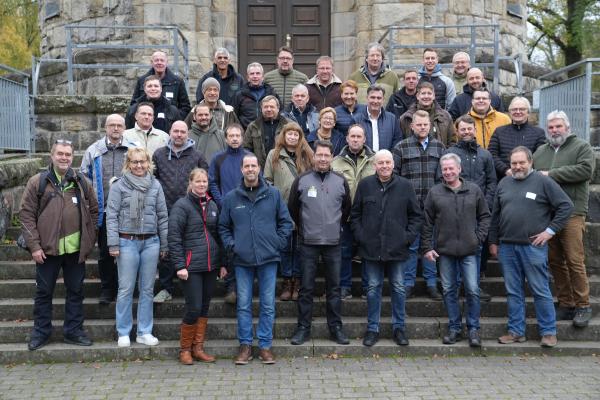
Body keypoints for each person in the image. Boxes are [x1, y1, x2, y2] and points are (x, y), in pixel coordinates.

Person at [489, 146, 574, 348]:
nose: (517, 167)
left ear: (530, 162)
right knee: (513, 291)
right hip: (507, 247)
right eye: (514, 163)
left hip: (533, 247)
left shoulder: (543, 182)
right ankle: (516, 331)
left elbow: (566, 206)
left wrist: (549, 231)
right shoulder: (504, 183)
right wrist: (493, 241)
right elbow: (495, 216)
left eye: (521, 163)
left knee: (540, 289)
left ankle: (548, 332)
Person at [20, 140, 98, 351]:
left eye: (68, 154)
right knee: (44, 292)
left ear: (73, 157)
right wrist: (34, 246)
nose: (64, 158)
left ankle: (73, 331)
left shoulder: (81, 181)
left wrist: (88, 241)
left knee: (76, 291)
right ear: (51, 156)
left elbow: (94, 211)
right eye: (60, 154)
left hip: (75, 250)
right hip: (46, 250)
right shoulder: (38, 182)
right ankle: (41, 333)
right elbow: (26, 215)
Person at [218, 153, 293, 365]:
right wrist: (233, 246)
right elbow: (223, 227)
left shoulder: (273, 194)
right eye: (247, 166)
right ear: (242, 170)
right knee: (243, 305)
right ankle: (245, 346)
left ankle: (265, 346)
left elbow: (286, 223)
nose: (250, 169)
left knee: (268, 304)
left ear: (259, 168)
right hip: (242, 260)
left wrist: (276, 243)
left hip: (268, 259)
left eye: (254, 166)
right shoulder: (232, 197)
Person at [351, 149, 421, 347]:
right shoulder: (365, 185)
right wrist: (361, 237)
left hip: (397, 249)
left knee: (399, 288)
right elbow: (355, 215)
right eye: (380, 163)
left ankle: (399, 328)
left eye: (388, 163)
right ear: (375, 165)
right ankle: (372, 329)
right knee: (373, 289)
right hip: (371, 249)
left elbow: (416, 216)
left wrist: (406, 238)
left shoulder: (405, 186)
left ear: (393, 164)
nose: (384, 166)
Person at [421, 153, 491, 347]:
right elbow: (426, 223)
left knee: (473, 290)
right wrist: (427, 247)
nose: (448, 172)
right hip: (445, 251)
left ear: (459, 169)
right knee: (449, 290)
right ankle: (454, 328)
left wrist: (478, 238)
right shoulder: (435, 192)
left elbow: (485, 216)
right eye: (445, 169)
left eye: (452, 168)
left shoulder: (474, 190)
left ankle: (473, 329)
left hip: (470, 250)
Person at [533, 111, 595, 328]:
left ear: (567, 127)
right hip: (548, 215)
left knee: (574, 260)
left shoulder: (581, 147)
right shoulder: (541, 151)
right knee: (555, 261)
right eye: (550, 127)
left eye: (558, 126)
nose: (554, 130)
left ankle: (583, 305)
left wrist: (551, 174)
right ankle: (566, 303)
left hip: (572, 213)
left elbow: (586, 170)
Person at [288, 140, 352, 346]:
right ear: (314, 157)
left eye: (326, 155)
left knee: (334, 288)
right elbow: (293, 209)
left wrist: (335, 226)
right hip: (308, 242)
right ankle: (303, 328)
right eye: (319, 155)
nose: (323, 159)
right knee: (306, 288)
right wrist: (305, 227)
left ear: (331, 157)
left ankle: (336, 328)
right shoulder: (302, 180)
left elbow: (346, 210)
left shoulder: (340, 181)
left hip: (333, 242)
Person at [106, 148, 169, 348]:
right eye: (134, 162)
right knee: (125, 289)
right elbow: (112, 216)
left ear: (148, 163)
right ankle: (123, 332)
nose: (139, 166)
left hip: (151, 242)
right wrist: (113, 243)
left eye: (142, 162)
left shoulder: (156, 185)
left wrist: (164, 243)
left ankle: (144, 331)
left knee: (147, 289)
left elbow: (162, 216)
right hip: (126, 242)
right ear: (128, 164)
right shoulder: (119, 186)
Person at [168, 168, 226, 365]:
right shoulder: (181, 206)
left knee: (204, 307)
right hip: (191, 266)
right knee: (193, 307)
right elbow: (174, 238)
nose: (202, 185)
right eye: (198, 181)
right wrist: (179, 265)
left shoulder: (212, 205)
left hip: (211, 265)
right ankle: (185, 349)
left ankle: (198, 348)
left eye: (205, 182)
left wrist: (223, 263)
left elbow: (218, 235)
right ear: (191, 183)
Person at [152, 121, 209, 303]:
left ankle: (190, 289)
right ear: (170, 132)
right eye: (175, 131)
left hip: (191, 209)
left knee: (189, 247)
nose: (178, 135)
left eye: (182, 132)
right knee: (167, 248)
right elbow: (153, 178)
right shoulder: (159, 154)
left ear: (187, 134)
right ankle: (166, 288)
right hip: (165, 207)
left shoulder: (197, 156)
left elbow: (205, 179)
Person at [80, 114, 135, 305]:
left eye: (119, 125)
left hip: (128, 212)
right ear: (105, 127)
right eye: (112, 125)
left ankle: (125, 288)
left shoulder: (133, 149)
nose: (116, 129)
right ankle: (107, 289)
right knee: (105, 252)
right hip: (103, 212)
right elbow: (83, 178)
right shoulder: (93, 150)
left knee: (128, 251)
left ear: (124, 127)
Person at [392, 110, 444, 300]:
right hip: (409, 208)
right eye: (418, 125)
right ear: (412, 126)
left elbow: (442, 177)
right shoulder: (401, 147)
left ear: (430, 126)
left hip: (432, 206)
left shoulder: (440, 147)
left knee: (430, 246)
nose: (422, 128)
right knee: (411, 246)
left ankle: (431, 284)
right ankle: (408, 284)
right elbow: (394, 176)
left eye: (425, 124)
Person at [445, 115, 496, 302]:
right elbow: (442, 179)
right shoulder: (450, 153)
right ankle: (457, 285)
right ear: (457, 131)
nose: (466, 132)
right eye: (463, 129)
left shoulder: (485, 154)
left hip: (479, 211)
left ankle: (474, 285)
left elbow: (492, 182)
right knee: (454, 247)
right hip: (455, 210)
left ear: (474, 130)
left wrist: (486, 204)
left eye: (470, 129)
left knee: (478, 249)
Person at [263, 122, 314, 301]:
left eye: (296, 134)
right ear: (283, 136)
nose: (292, 137)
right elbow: (267, 180)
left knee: (300, 248)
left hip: (303, 209)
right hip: (281, 208)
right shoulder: (274, 154)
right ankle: (286, 281)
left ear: (300, 137)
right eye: (289, 134)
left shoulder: (307, 155)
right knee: (284, 247)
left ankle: (297, 282)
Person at [331, 124, 376, 299]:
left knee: (367, 252)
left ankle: (367, 286)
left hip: (368, 216)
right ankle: (344, 286)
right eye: (353, 136)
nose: (356, 139)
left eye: (359, 136)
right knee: (344, 251)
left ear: (365, 139)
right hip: (344, 215)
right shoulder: (336, 161)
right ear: (347, 138)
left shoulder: (374, 160)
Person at [208, 124, 249, 304]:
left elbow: (256, 179)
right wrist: (221, 201)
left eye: (237, 135)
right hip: (225, 209)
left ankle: (241, 287)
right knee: (229, 248)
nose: (234, 138)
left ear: (242, 138)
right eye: (231, 136)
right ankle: (231, 287)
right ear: (225, 139)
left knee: (243, 247)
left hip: (246, 209)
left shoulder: (249, 157)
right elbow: (213, 182)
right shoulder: (218, 159)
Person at [488, 97, 546, 180]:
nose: (518, 112)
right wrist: (506, 170)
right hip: (503, 179)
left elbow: (540, 157)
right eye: (514, 109)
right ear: (510, 112)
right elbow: (491, 154)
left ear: (528, 113)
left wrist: (525, 171)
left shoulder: (538, 133)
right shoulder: (499, 132)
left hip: (530, 179)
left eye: (522, 109)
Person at [131, 50, 191, 117]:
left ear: (167, 62)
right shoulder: (142, 81)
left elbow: (185, 107)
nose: (159, 63)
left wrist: (174, 119)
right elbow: (134, 104)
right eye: (156, 60)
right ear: (151, 63)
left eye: (162, 60)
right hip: (146, 121)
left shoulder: (177, 81)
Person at [399, 81, 455, 147]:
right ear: (417, 96)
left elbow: (452, 142)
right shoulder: (406, 118)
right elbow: (400, 143)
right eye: (423, 93)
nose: (426, 96)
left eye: (429, 93)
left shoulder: (446, 117)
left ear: (434, 96)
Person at [243, 95, 291, 167]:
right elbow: (246, 148)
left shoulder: (288, 125)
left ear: (278, 108)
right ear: (261, 109)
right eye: (265, 107)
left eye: (272, 107)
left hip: (282, 168)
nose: (268, 109)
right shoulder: (253, 126)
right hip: (259, 169)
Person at [232, 62, 279, 130]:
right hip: (246, 133)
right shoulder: (239, 95)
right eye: (252, 74)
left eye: (258, 73)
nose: (255, 76)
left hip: (267, 132)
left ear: (262, 77)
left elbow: (279, 112)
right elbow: (234, 116)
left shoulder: (271, 93)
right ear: (248, 77)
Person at [356, 85, 403, 151]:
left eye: (379, 98)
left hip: (386, 160)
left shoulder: (392, 119)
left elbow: (397, 142)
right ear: (367, 98)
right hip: (363, 160)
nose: (375, 101)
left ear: (383, 99)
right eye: (372, 97)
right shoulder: (356, 119)